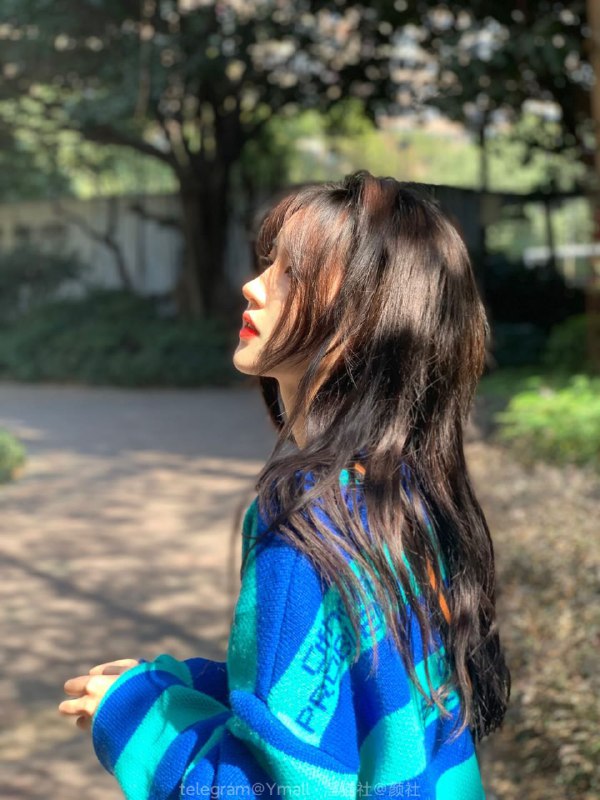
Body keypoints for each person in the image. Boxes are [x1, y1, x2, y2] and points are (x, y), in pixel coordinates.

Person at [58, 170, 511, 799]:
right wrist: (180, 685)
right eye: (269, 263)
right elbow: (345, 703)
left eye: (291, 273)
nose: (253, 285)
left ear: (364, 320)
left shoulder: (310, 528)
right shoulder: (404, 498)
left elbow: (273, 789)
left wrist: (135, 715)